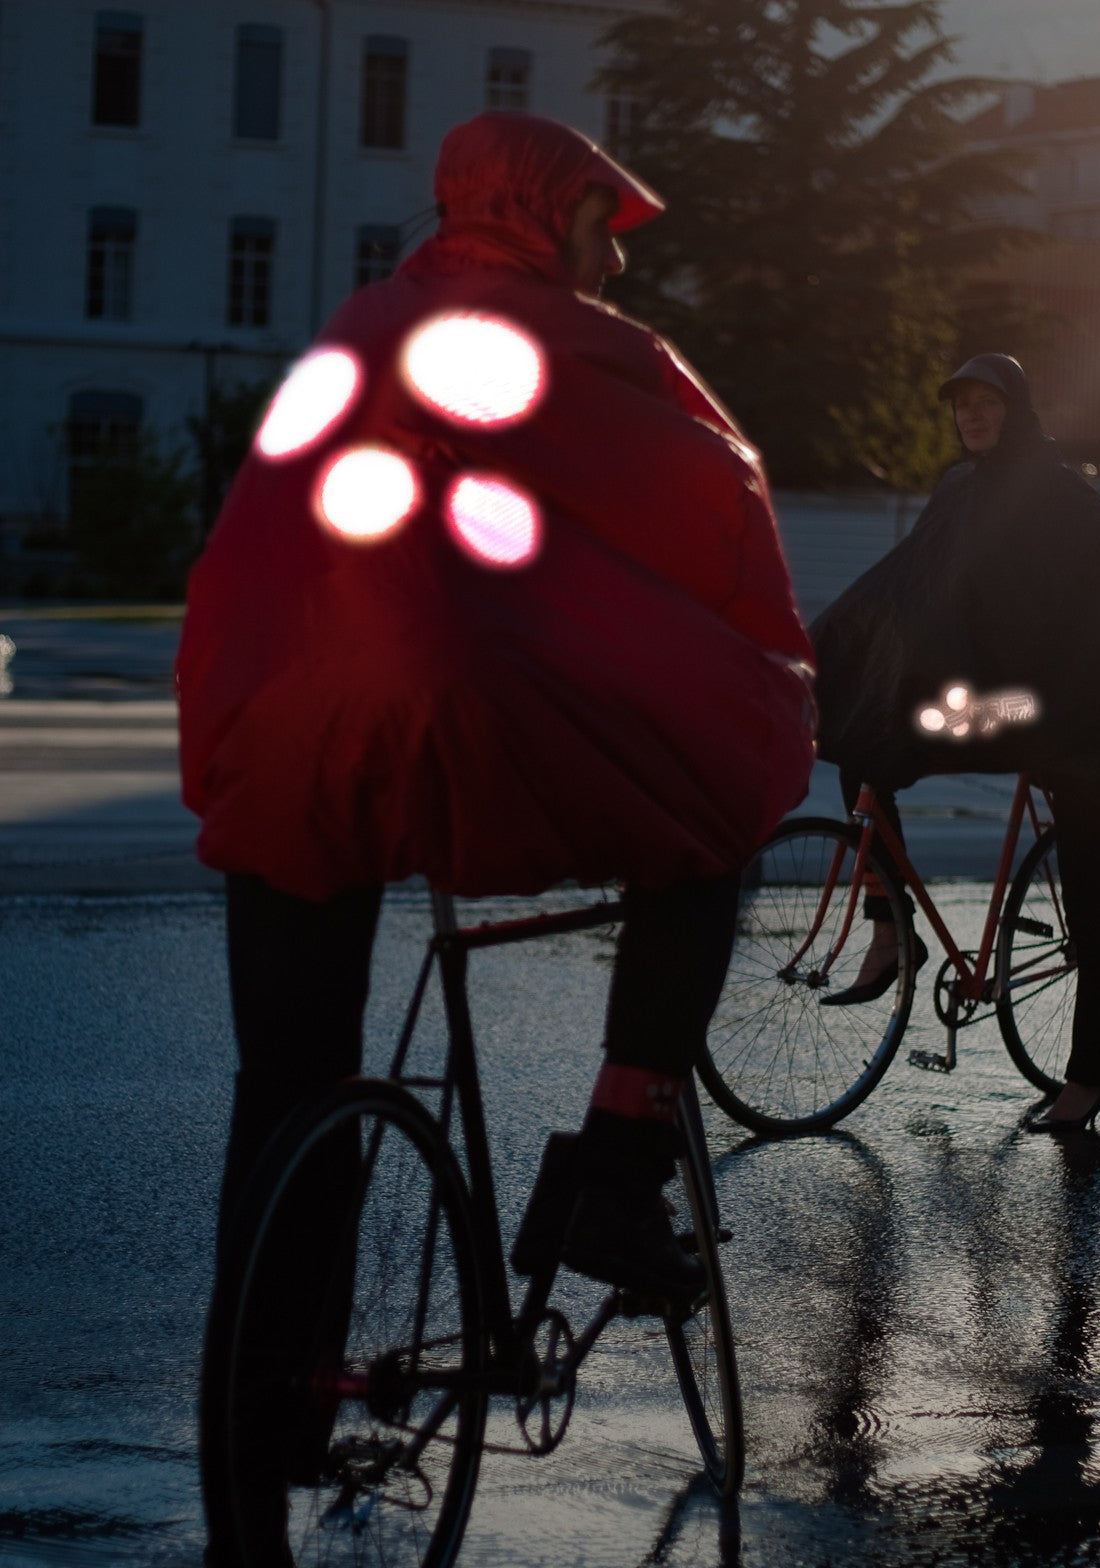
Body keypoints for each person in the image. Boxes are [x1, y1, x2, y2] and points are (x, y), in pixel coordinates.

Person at [177, 111, 816, 1306]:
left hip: (281, 742)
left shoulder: (358, 326)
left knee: (286, 1086)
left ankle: (278, 1385)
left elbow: (249, 546)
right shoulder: (569, 341)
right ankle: (618, 1172)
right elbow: (715, 500)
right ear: (539, 213)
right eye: (596, 223)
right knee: (716, 834)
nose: (614, 260)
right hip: (462, 724)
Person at [812, 352, 1100, 1131]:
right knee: (867, 735)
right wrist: (843, 646)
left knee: (1089, 899)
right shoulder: (958, 489)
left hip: (1080, 717)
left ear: (1016, 408)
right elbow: (911, 585)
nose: (972, 415)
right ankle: (892, 931)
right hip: (1000, 706)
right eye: (962, 405)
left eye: (987, 402)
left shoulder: (1064, 496)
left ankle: (1086, 1081)